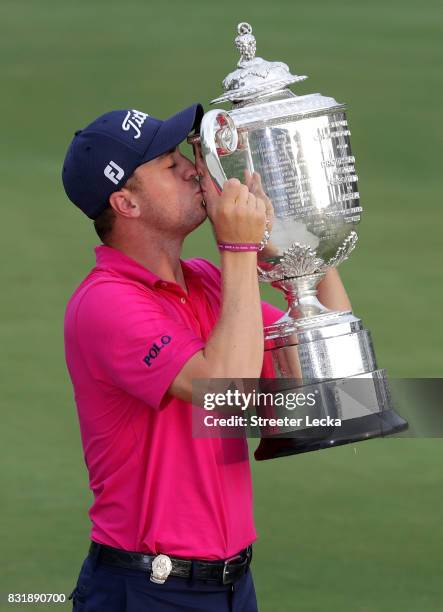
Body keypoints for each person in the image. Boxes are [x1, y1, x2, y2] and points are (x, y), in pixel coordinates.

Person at [61, 104, 351, 611]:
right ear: (125, 203)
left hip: (234, 586)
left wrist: (296, 241)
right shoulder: (105, 303)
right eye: (170, 164)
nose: (195, 168)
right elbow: (225, 392)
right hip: (147, 590)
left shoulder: (210, 282)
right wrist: (238, 248)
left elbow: (333, 382)